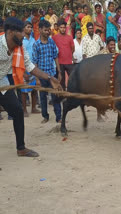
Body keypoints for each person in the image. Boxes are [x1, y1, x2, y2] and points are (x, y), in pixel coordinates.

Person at [0, 17, 62, 157]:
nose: (24, 35)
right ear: (10, 32)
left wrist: (50, 78)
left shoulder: (19, 47)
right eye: (21, 32)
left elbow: (31, 67)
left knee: (17, 110)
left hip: (2, 82)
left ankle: (21, 148)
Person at [33, 20, 62, 124]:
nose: (48, 32)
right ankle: (45, 116)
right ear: (40, 30)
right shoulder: (36, 45)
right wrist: (37, 78)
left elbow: (56, 57)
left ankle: (59, 117)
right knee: (43, 98)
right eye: (45, 30)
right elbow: (35, 62)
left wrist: (59, 72)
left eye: (49, 30)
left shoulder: (52, 42)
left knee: (56, 96)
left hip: (52, 74)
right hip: (41, 75)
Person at [21, 21, 40, 117]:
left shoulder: (33, 40)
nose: (30, 29)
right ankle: (24, 110)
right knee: (24, 91)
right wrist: (23, 72)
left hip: (33, 67)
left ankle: (33, 108)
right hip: (24, 68)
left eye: (31, 27)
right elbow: (20, 57)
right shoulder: (21, 40)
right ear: (23, 28)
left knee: (34, 89)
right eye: (28, 27)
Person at [53, 20, 75, 90]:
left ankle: (71, 95)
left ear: (66, 28)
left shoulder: (69, 37)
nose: (63, 29)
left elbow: (73, 49)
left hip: (69, 62)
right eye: (61, 27)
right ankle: (62, 97)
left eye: (64, 27)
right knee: (61, 81)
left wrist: (69, 55)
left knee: (72, 79)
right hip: (59, 63)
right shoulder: (54, 37)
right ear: (58, 28)